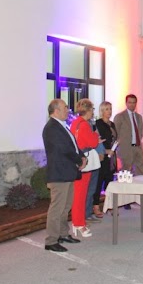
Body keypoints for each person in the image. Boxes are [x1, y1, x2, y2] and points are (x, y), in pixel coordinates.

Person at [42, 99, 85, 252]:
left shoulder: (62, 126)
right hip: (59, 174)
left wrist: (81, 156)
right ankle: (51, 240)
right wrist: (79, 159)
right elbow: (64, 149)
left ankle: (62, 234)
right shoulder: (51, 128)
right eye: (65, 107)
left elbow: (73, 145)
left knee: (65, 206)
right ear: (56, 110)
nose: (68, 110)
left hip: (67, 172)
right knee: (57, 208)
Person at [114, 94, 143, 209]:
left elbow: (140, 132)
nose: (132, 105)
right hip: (126, 149)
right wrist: (118, 148)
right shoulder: (120, 117)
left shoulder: (139, 117)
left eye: (134, 102)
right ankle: (125, 200)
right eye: (130, 102)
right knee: (125, 175)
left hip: (137, 148)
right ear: (126, 103)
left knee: (141, 174)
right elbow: (115, 134)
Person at [70, 98, 101, 238]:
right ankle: (79, 223)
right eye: (92, 110)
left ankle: (78, 222)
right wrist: (96, 135)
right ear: (88, 110)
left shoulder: (75, 123)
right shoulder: (84, 125)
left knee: (78, 194)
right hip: (84, 161)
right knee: (81, 195)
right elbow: (93, 142)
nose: (92, 113)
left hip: (76, 160)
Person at [94, 101, 117, 219]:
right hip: (102, 155)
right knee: (99, 181)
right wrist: (106, 150)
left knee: (109, 181)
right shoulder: (98, 123)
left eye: (110, 108)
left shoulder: (112, 124)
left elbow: (113, 138)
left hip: (112, 156)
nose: (109, 111)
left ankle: (109, 205)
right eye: (107, 109)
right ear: (102, 110)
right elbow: (97, 139)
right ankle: (96, 205)